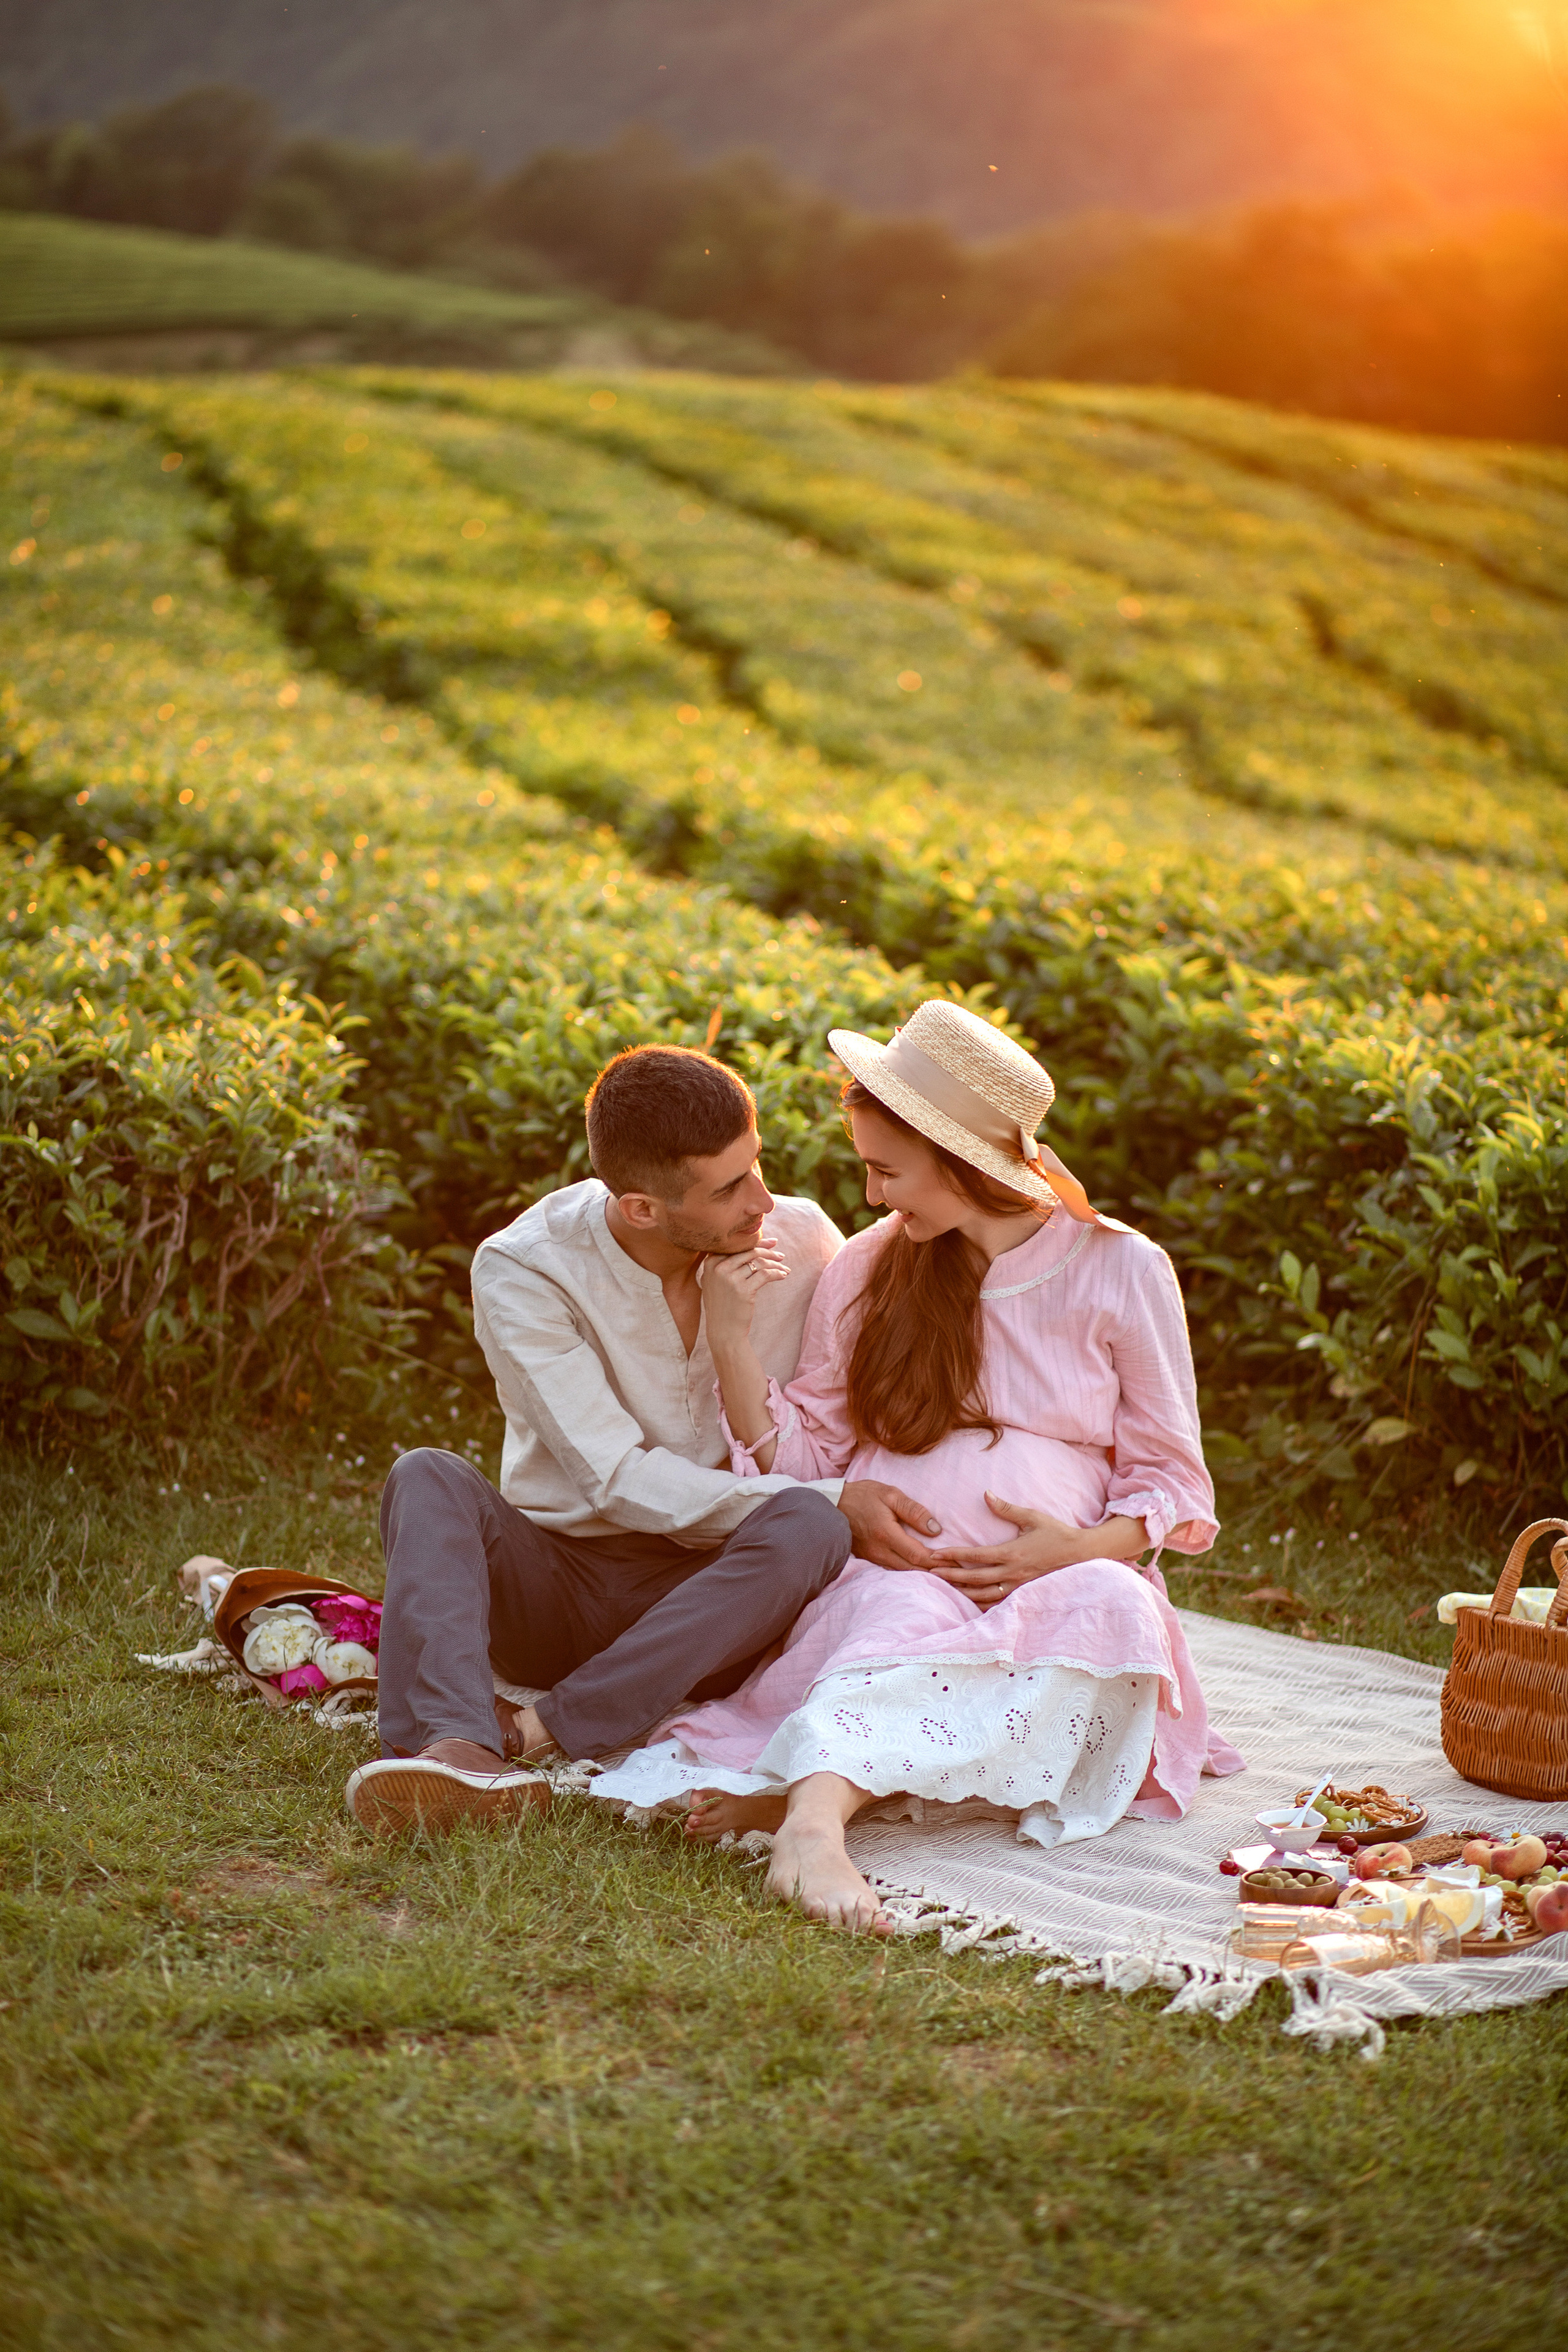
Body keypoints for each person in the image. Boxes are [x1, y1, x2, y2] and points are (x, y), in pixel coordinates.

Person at [590, 1001, 1245, 1929]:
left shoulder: (1121, 1270)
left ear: (963, 1160)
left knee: (1116, 1623)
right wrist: (733, 1346)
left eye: (887, 1171)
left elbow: (1175, 1481)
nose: (869, 1196)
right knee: (887, 1632)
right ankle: (816, 1827)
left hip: (1060, 1583)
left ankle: (817, 1792)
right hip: (906, 1574)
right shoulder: (869, 1269)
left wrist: (1072, 1551)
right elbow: (811, 1460)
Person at [346, 1044, 950, 1833]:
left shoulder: (801, 1240)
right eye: (729, 1188)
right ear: (642, 1208)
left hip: (713, 1606)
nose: (763, 1201)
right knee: (427, 1475)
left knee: (808, 1523)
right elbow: (614, 1478)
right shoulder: (527, 1269)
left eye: (756, 1165)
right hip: (559, 1585)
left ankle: (535, 1732)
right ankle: (456, 1751)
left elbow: (863, 1392)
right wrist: (831, 1496)